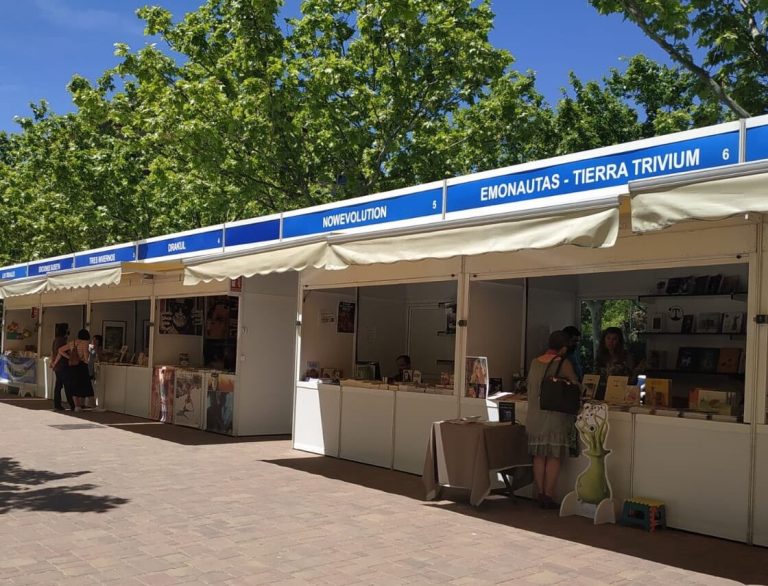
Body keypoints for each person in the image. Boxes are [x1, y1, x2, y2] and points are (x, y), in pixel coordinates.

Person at [525, 330, 580, 509]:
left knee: (539, 456)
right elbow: (576, 386)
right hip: (555, 417)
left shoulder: (534, 362)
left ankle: (540, 493)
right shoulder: (563, 363)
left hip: (535, 416)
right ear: (563, 348)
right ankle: (549, 495)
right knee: (554, 457)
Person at [55, 329, 95, 412]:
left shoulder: (73, 342)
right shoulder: (85, 343)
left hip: (73, 366)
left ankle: (77, 406)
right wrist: (90, 356)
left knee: (75, 386)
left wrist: (69, 357)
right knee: (86, 386)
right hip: (82, 366)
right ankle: (93, 406)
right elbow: (86, 357)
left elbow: (60, 350)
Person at [594, 327, 635, 399]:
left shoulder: (626, 357)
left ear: (619, 341)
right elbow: (594, 376)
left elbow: (631, 378)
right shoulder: (600, 357)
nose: (610, 341)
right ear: (604, 340)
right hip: (601, 393)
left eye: (614, 339)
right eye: (608, 338)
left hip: (620, 393)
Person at [50, 323, 74, 411]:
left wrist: (52, 362)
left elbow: (53, 352)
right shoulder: (63, 340)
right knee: (67, 385)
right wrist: (69, 357)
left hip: (57, 366)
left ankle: (57, 404)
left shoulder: (56, 340)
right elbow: (60, 352)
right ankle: (72, 404)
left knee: (58, 385)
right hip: (63, 365)